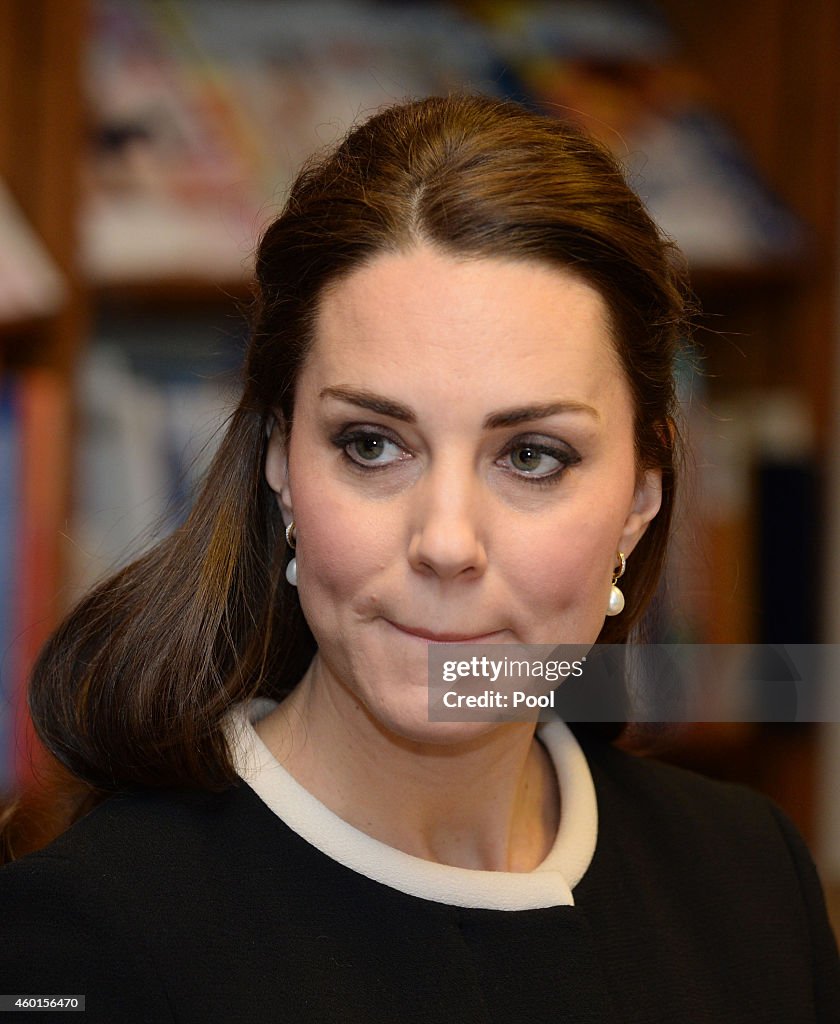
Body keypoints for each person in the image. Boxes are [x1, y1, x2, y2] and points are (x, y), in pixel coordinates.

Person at [1, 93, 838, 1022]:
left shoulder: (751, 878)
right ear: (281, 461)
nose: (445, 542)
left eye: (531, 457)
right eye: (371, 444)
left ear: (640, 500)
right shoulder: (79, 939)